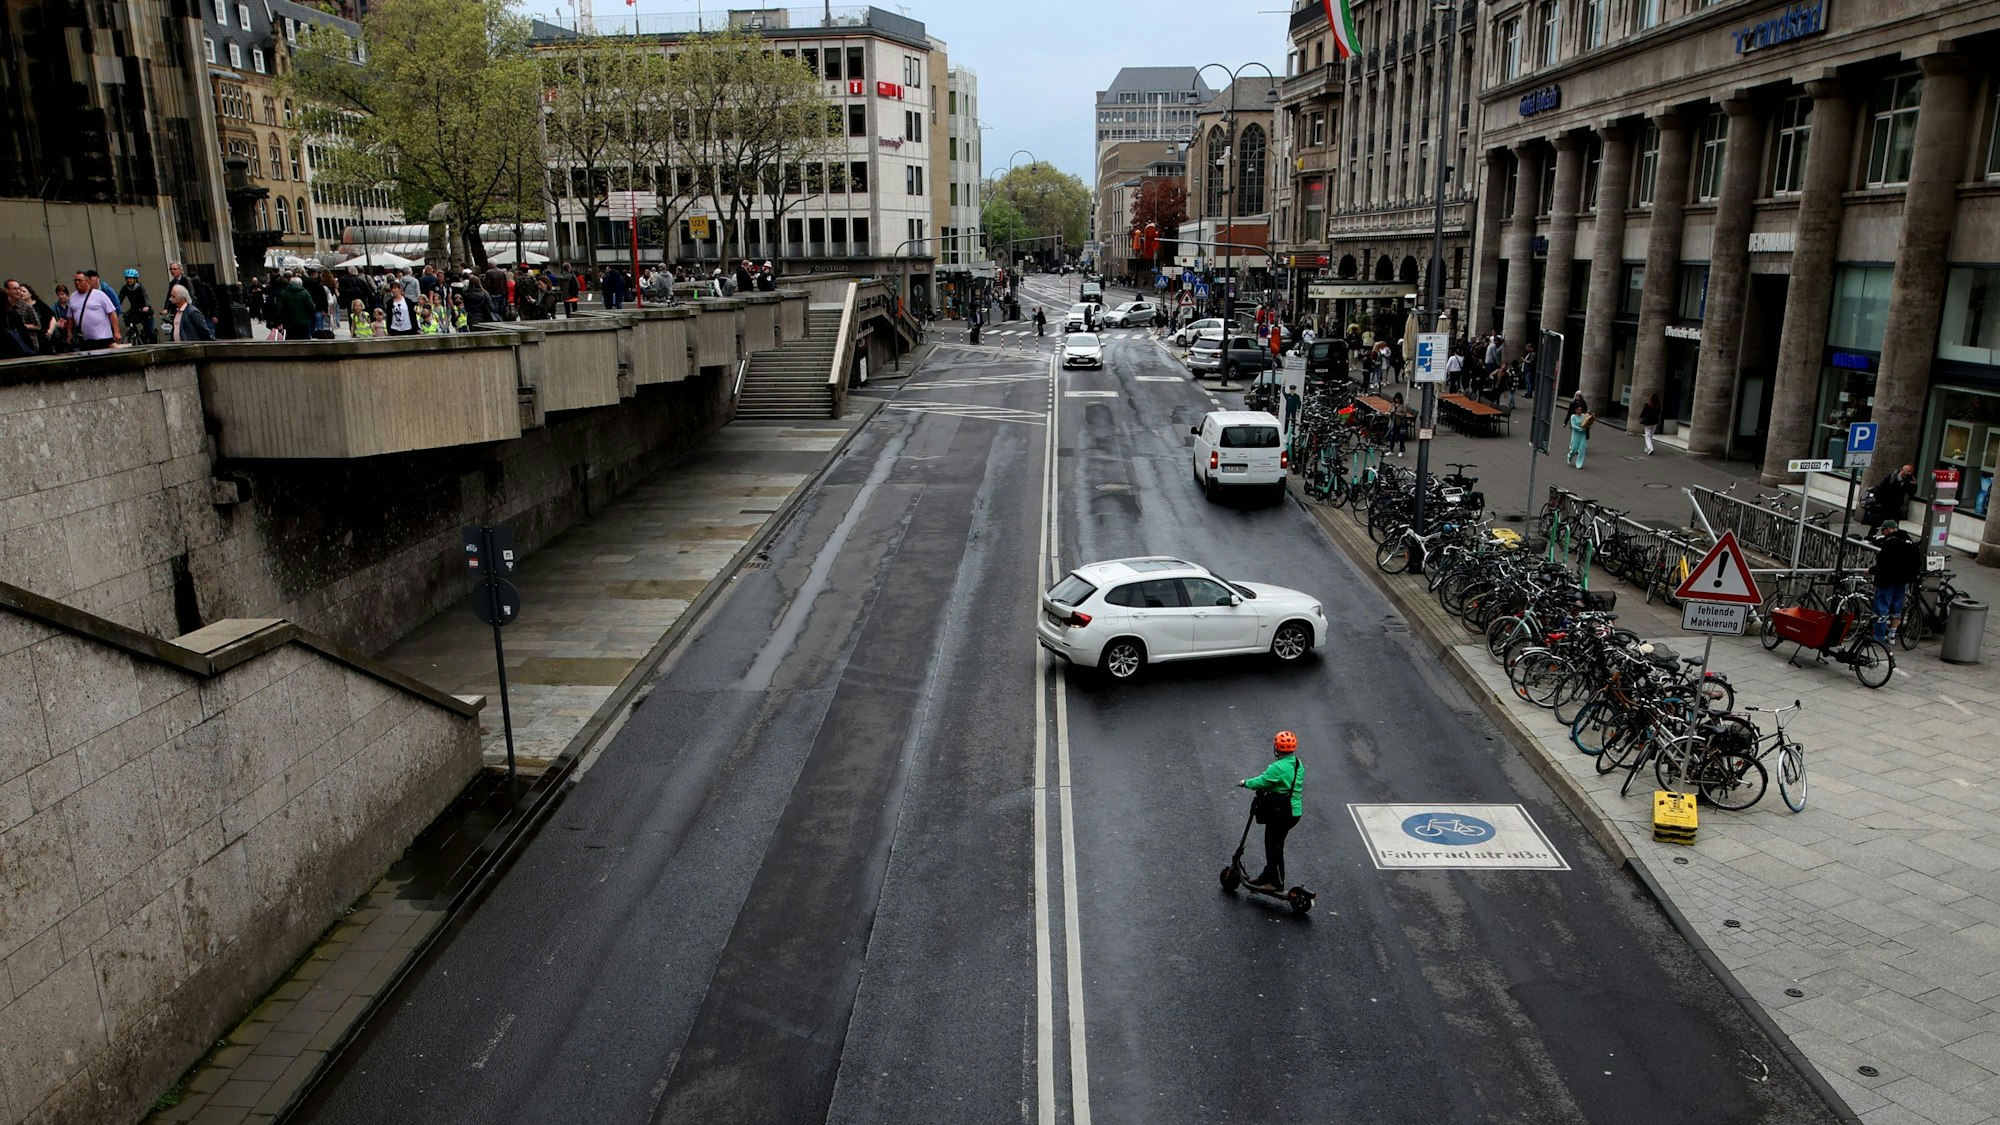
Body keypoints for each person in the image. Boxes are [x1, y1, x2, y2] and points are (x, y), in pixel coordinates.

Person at [1238, 731, 1304, 892]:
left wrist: (1245, 782)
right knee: (1273, 844)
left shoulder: (1277, 767)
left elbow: (1262, 781)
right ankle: (1267, 875)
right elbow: (1285, 784)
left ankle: (1277, 883)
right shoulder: (1297, 764)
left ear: (1277, 747)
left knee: (1274, 846)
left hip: (1282, 813)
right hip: (1294, 811)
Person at [1867, 519, 1924, 641]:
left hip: (1887, 579)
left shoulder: (1891, 543)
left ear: (1888, 529)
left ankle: (1878, 636)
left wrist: (1871, 571)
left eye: (1884, 531)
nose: (1884, 534)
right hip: (1902, 580)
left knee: (1881, 608)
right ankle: (1892, 635)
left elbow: (1883, 563)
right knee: (1896, 607)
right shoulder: (1908, 540)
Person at [68, 270, 123, 348]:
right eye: (75, 280)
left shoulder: (99, 295)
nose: (77, 283)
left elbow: (112, 312)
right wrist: (69, 333)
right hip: (85, 340)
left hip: (103, 338)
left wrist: (116, 332)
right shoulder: (72, 297)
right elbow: (70, 318)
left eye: (79, 280)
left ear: (87, 281)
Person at [1863, 464, 1918, 528]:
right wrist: (1878, 502)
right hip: (1885, 505)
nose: (1909, 473)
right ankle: (1871, 536)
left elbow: (1911, 494)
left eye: (1910, 472)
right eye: (1907, 471)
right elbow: (1881, 489)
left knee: (1894, 526)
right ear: (1902, 470)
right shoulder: (1891, 478)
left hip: (1896, 507)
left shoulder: (1907, 481)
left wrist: (1914, 485)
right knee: (1877, 524)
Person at [3, 278, 45, 357]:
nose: (18, 291)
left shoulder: (27, 307)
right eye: (14, 289)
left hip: (28, 344)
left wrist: (23, 326)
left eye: (19, 288)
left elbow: (38, 325)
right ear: (7, 290)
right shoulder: (5, 307)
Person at [274, 274, 317, 340]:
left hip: (289, 323)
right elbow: (312, 308)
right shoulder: (305, 293)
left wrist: (280, 321)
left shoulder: (284, 293)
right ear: (301, 284)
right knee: (304, 344)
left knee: (291, 343)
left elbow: (279, 309)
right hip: (304, 323)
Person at [118, 268, 154, 344]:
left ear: (135, 279)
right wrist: (115, 308)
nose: (129, 280)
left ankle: (151, 342)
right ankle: (134, 334)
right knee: (127, 318)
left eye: (131, 279)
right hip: (135, 310)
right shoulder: (125, 288)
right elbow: (119, 299)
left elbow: (145, 298)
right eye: (127, 279)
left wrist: (146, 306)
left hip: (145, 311)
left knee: (149, 331)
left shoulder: (140, 287)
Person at [1566, 394, 1592, 469]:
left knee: (1582, 448)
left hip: (1582, 435)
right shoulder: (1573, 417)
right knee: (1574, 448)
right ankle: (1570, 456)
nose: (1580, 411)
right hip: (1576, 434)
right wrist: (1581, 428)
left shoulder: (1584, 416)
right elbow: (1573, 426)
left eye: (1580, 410)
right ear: (1575, 410)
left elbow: (1587, 423)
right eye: (1578, 410)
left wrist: (1588, 425)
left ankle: (1579, 463)